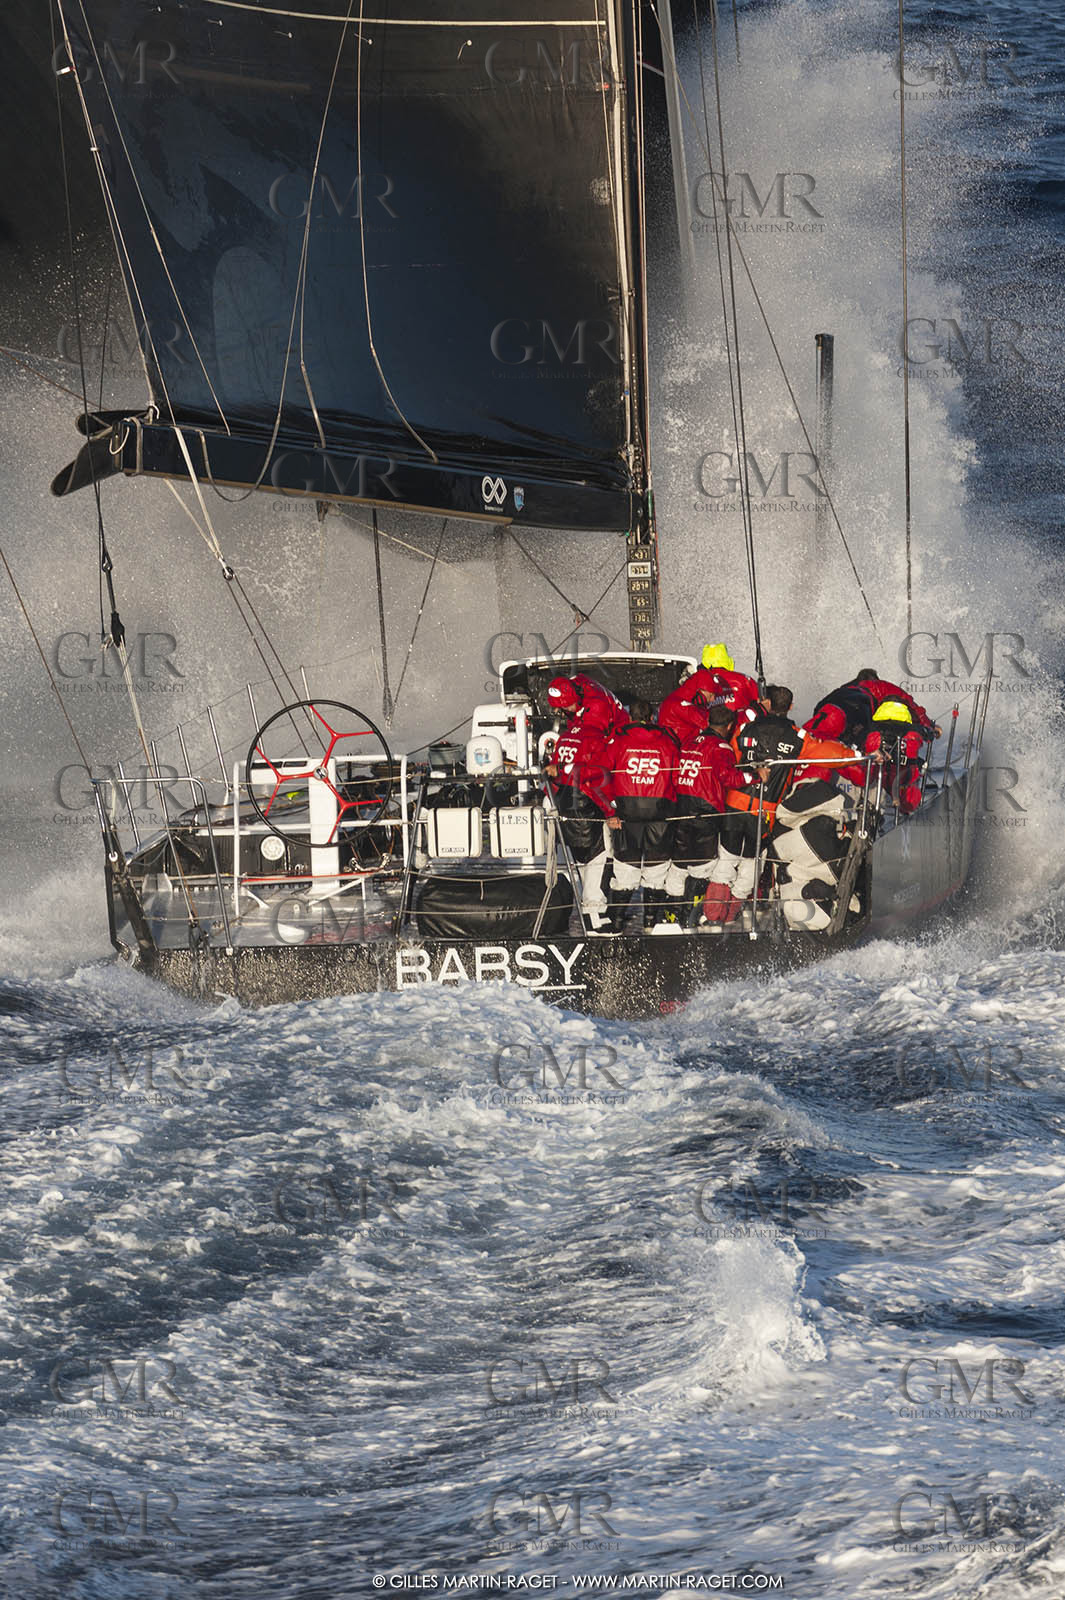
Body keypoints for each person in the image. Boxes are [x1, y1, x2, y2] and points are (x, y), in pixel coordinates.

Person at [543, 674, 622, 932]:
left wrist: (552, 802)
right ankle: (595, 918)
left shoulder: (565, 737)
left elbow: (552, 775)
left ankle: (579, 914)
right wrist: (611, 811)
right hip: (586, 808)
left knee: (581, 863)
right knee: (600, 858)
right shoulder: (595, 738)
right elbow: (597, 779)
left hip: (565, 806)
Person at [664, 705, 746, 924]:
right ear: (729, 727)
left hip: (680, 808)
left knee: (679, 865)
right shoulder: (721, 747)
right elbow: (729, 778)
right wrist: (754, 776)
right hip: (704, 811)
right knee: (702, 868)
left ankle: (670, 919)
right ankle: (691, 920)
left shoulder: (690, 742)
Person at [606, 698, 680, 930]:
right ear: (652, 718)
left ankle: (616, 925)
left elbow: (601, 774)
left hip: (626, 814)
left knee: (625, 874)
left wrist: (610, 810)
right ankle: (650, 924)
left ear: (630, 718)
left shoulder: (618, 739)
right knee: (656, 874)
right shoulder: (668, 740)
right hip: (660, 813)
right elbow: (677, 778)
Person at [657, 643, 760, 745]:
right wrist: (748, 715)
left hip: (687, 750)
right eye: (711, 695)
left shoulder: (679, 698)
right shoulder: (684, 706)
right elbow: (715, 724)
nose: (712, 699)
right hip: (689, 750)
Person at [806, 668, 940, 747]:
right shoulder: (879, 686)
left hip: (826, 708)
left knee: (815, 739)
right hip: (856, 709)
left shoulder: (843, 688)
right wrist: (929, 727)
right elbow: (910, 704)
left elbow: (818, 709)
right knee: (863, 740)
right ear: (875, 679)